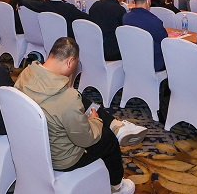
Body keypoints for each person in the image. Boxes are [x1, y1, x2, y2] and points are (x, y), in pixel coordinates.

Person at [14, 37, 137, 194]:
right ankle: (117, 187)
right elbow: (85, 139)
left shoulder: (26, 73)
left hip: (30, 146)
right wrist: (95, 120)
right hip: (61, 158)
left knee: (82, 110)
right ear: (70, 61)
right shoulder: (67, 98)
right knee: (109, 139)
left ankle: (113, 126)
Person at [20, 0, 88, 38]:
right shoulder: (69, 8)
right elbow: (86, 17)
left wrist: (20, 3)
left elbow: (29, 3)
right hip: (66, 40)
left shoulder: (44, 4)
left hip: (48, 37)